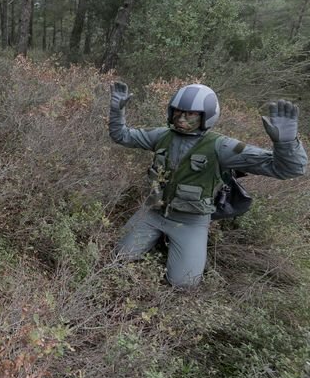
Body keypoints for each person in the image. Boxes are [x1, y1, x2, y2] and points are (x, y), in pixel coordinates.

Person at [109, 81, 307, 287]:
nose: (182, 118)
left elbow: (288, 169)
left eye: (191, 114)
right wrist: (116, 112)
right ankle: (159, 240)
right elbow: (121, 135)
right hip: (152, 213)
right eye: (177, 112)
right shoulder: (161, 136)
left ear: (206, 116)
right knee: (119, 258)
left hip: (190, 222)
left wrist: (286, 144)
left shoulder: (222, 147)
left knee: (184, 283)